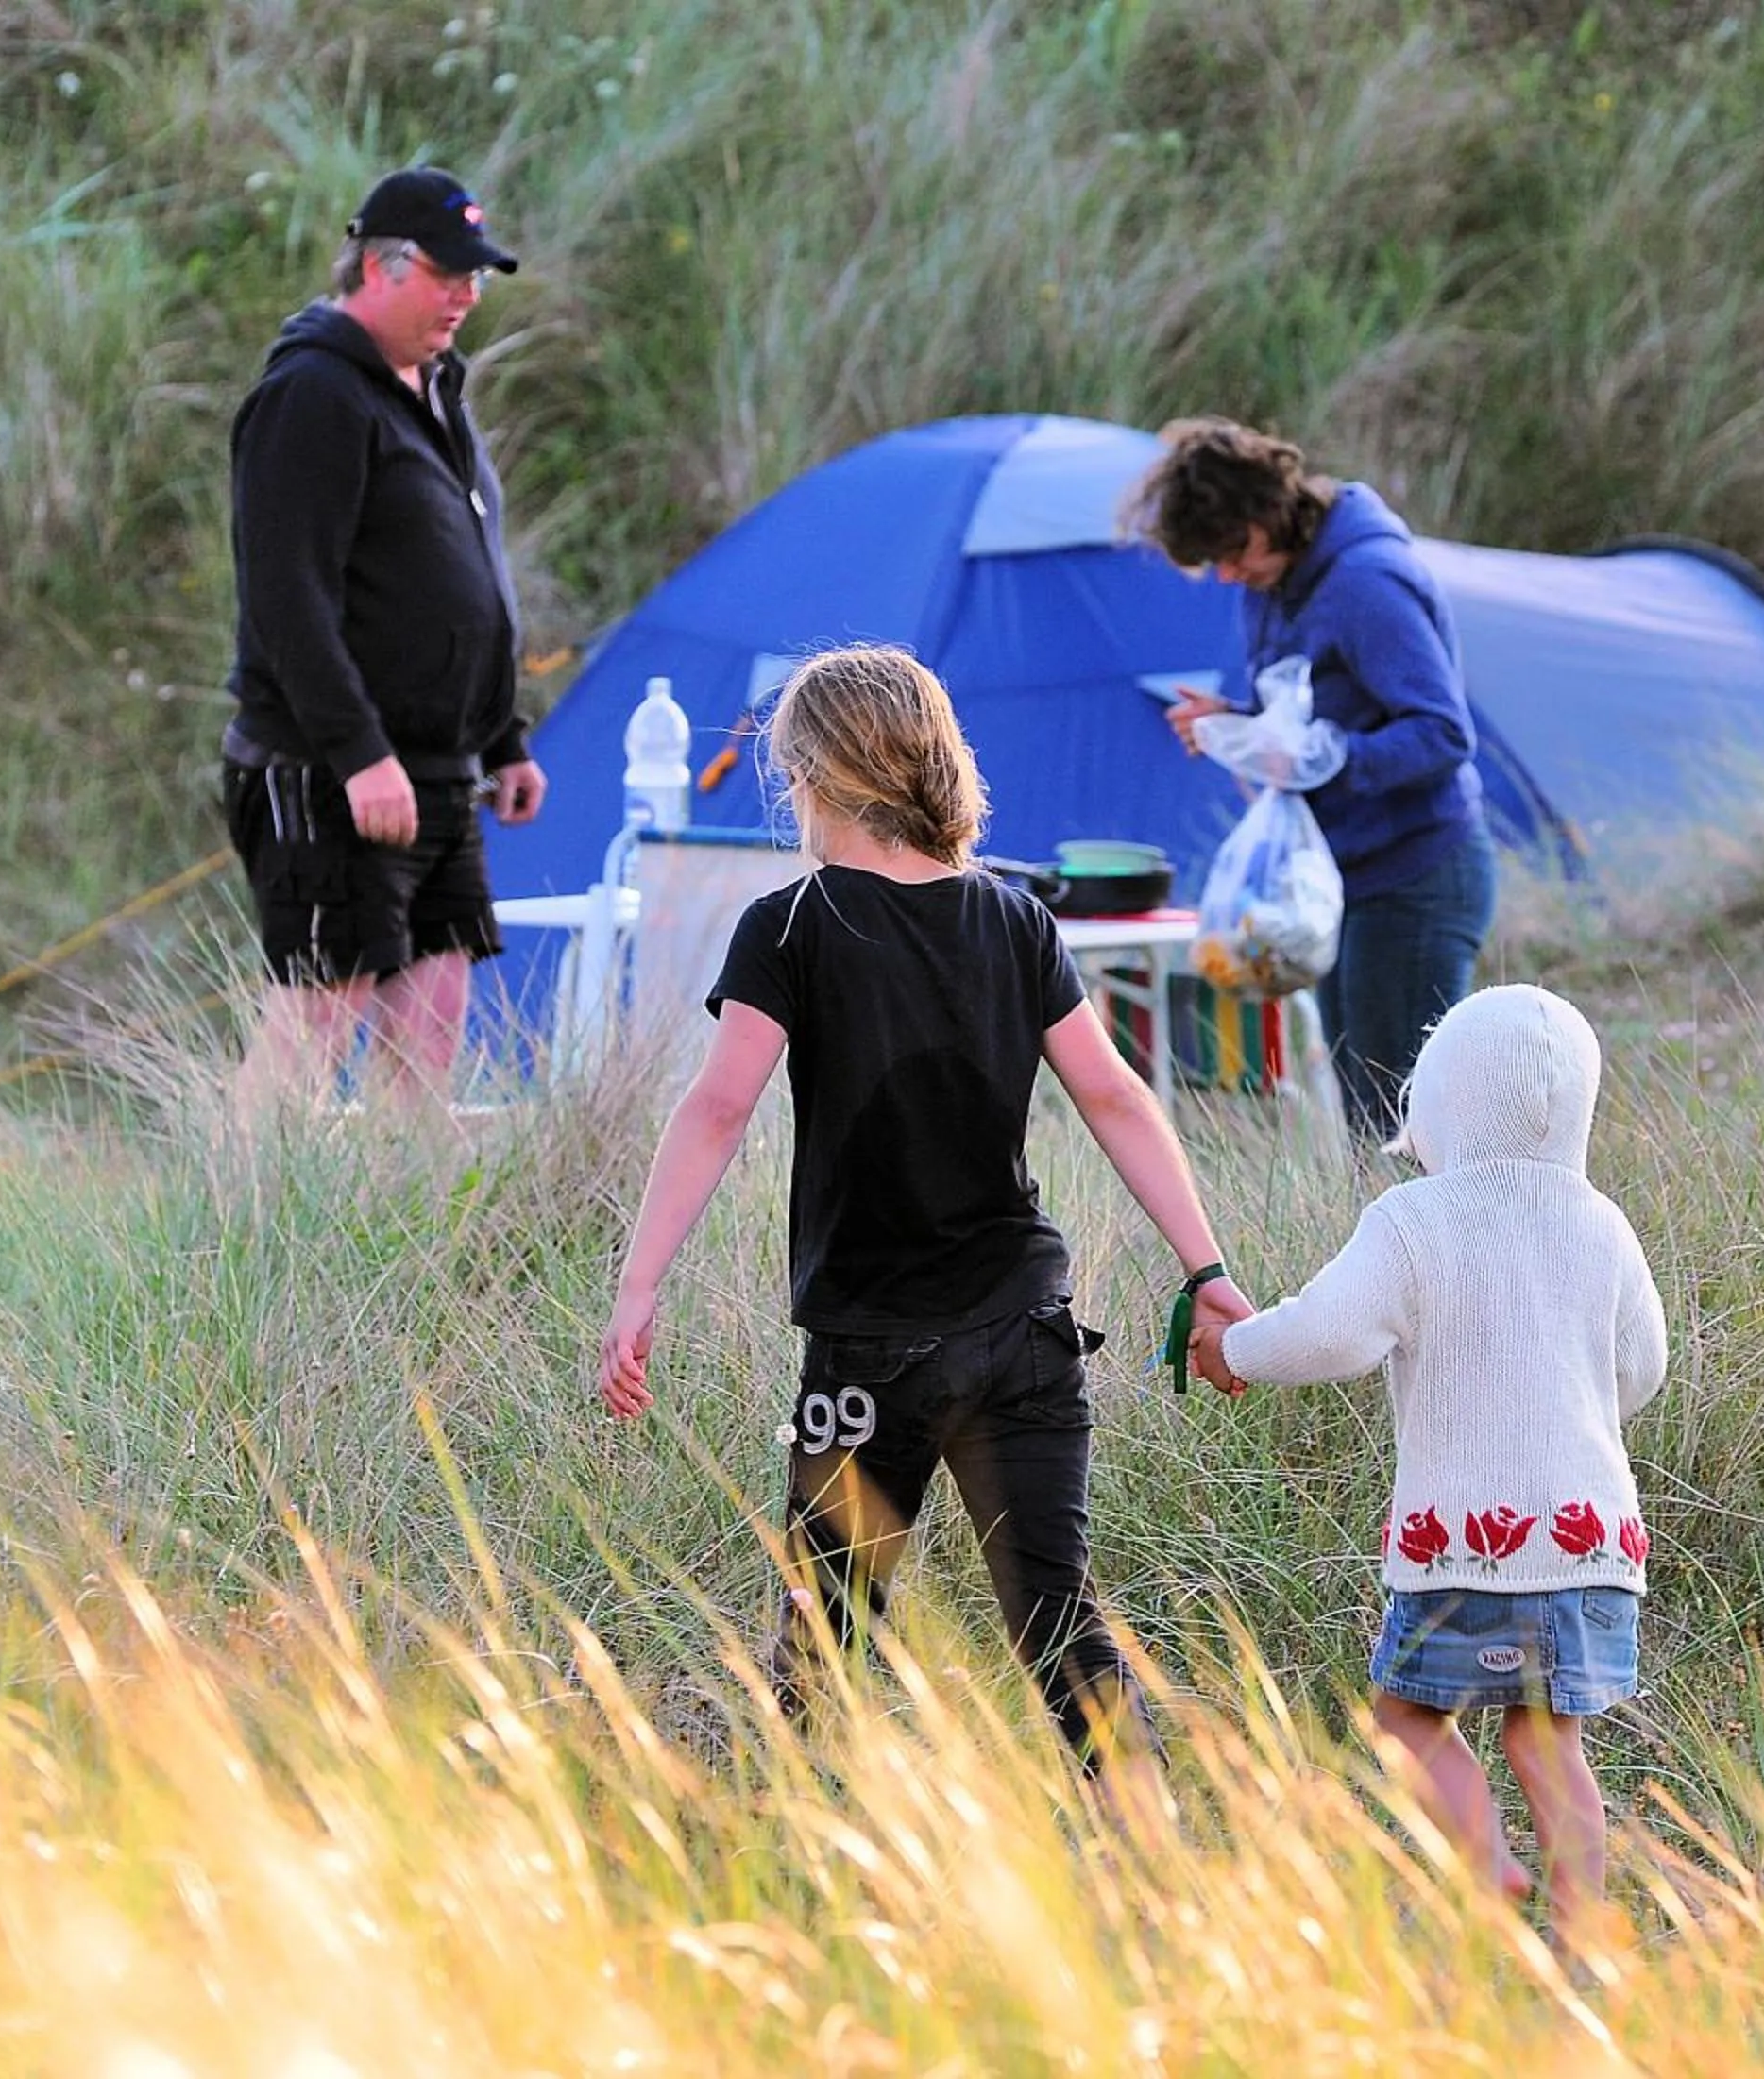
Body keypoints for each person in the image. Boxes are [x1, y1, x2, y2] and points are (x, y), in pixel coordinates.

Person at [598, 644, 1252, 1782]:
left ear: (807, 776)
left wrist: (640, 1284)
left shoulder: (792, 925)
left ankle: (805, 1862)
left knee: (825, 1634)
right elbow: (1113, 1094)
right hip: (1026, 1340)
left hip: (872, 1350)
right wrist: (1208, 1272)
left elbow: (716, 1111)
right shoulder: (1014, 920)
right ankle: (1155, 1852)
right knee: (1060, 1624)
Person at [1194, 984, 1668, 1940]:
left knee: (1408, 1722)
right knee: (1548, 1739)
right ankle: (1583, 1927)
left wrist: (1231, 1353)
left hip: (1468, 1547)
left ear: (1439, 1102)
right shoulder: (1601, 1222)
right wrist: (1570, 1419)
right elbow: (1641, 1367)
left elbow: (1328, 1333)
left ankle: (1486, 1862)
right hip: (1592, 1547)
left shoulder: (1417, 1219)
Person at [219, 166, 546, 1107]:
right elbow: (286, 601)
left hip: (440, 770)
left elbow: (456, 577)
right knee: (313, 1028)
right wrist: (360, 755)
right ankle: (226, 1244)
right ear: (377, 266)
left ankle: (411, 1249)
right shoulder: (312, 393)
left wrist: (501, 737)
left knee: (430, 1033)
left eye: (476, 279)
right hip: (328, 771)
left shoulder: (438, 387)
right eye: (448, 276)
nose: (465, 297)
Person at [1128, 417, 1496, 1144]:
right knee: (1364, 1113)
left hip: (1415, 876)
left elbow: (1444, 733)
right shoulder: (1274, 580)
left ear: (1269, 513)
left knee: (1407, 1125)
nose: (1228, 575)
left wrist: (1332, 758)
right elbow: (1307, 714)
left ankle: (1463, 1256)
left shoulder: (1368, 584)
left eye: (1233, 552)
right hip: (1343, 878)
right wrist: (1237, 725)